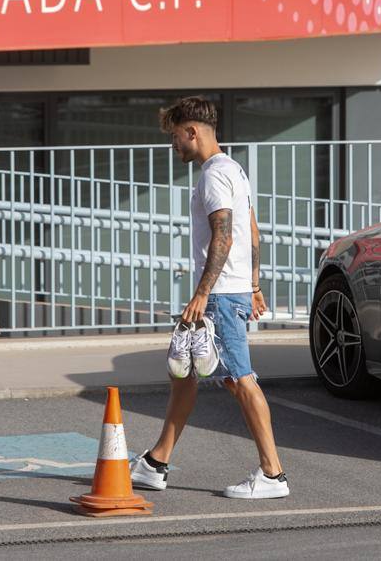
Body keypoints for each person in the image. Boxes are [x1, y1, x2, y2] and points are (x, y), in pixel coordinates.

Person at [129, 95, 289, 499]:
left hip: (217, 294)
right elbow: (252, 232)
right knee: (183, 374)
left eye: (174, 137)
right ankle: (155, 463)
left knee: (239, 379)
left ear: (192, 132)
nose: (173, 145)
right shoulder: (234, 169)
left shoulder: (214, 176)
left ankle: (272, 475)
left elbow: (225, 233)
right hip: (230, 289)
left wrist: (203, 294)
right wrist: (253, 284)